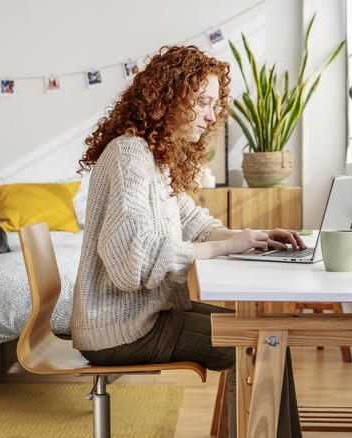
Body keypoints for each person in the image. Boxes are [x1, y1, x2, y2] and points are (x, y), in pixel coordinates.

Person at [71, 45, 305, 437]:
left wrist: (251, 238)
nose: (212, 116)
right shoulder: (129, 155)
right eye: (202, 102)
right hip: (120, 329)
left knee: (267, 336)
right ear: (168, 97)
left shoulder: (152, 158)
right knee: (262, 343)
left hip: (144, 317)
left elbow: (193, 222)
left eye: (215, 104)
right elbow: (134, 265)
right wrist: (224, 247)